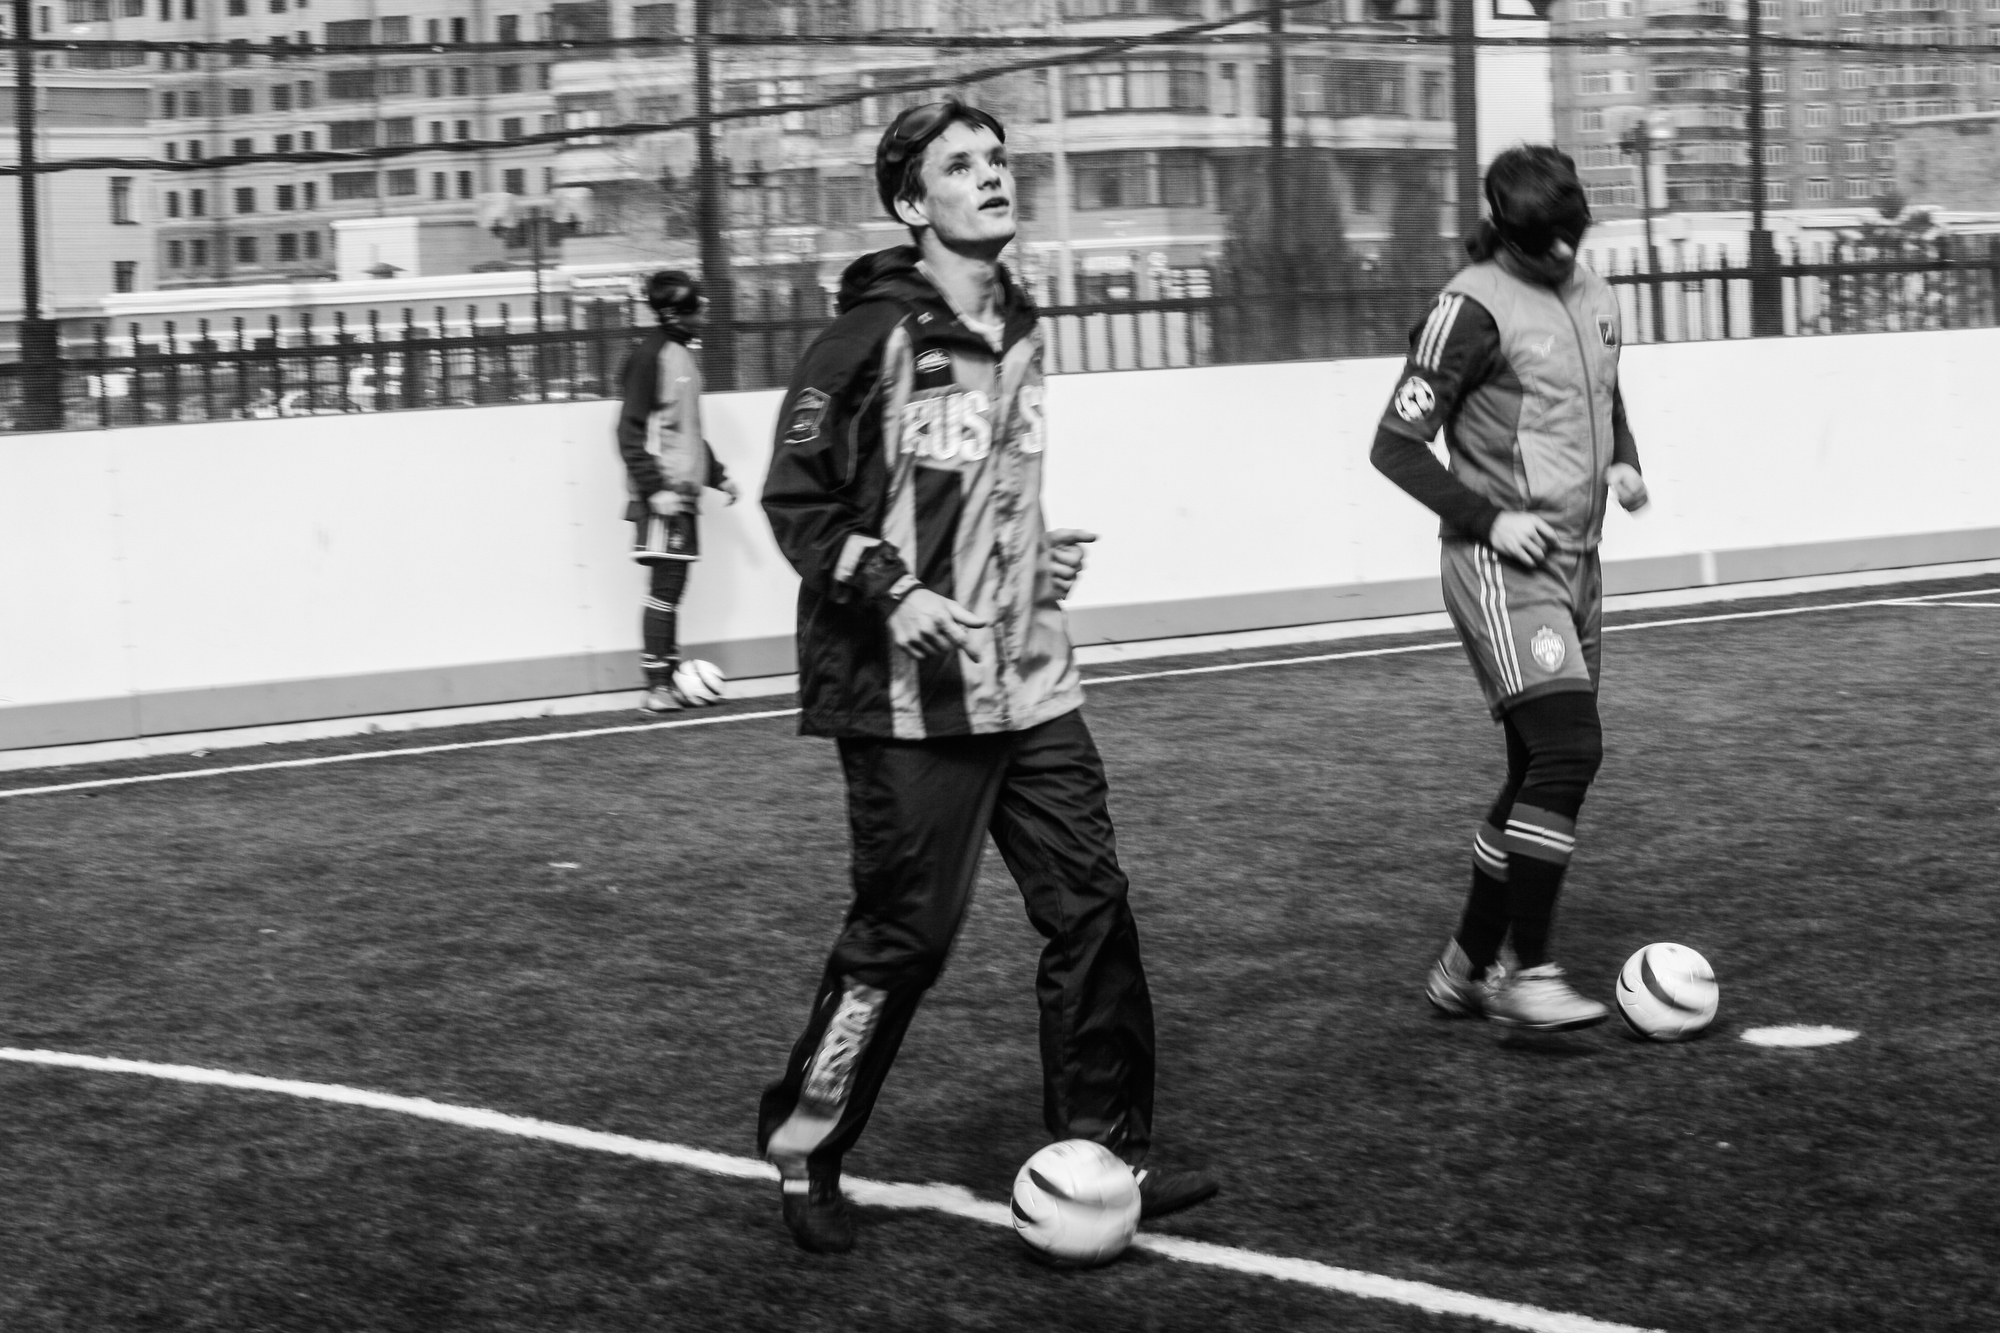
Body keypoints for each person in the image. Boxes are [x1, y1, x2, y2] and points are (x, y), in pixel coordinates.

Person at [756, 98, 1218, 1254]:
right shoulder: (862, 340)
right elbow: (798, 501)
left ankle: (1103, 1153)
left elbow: (978, 493)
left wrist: (1033, 555)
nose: (991, 175)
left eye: (997, 159)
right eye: (960, 165)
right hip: (908, 698)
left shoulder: (1019, 322)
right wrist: (896, 589)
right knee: (903, 939)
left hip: (1031, 680)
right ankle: (807, 1143)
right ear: (910, 202)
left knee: (1091, 908)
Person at [1369, 145, 1651, 1033]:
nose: (1563, 253)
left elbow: (1603, 395)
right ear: (1505, 231)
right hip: (1502, 566)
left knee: (1535, 769)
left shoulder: (1595, 293)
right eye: (1543, 241)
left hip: (1580, 562)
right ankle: (1530, 973)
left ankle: (1464, 967)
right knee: (1569, 749)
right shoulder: (1468, 309)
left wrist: (1626, 462)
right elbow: (1393, 447)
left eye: (1572, 234)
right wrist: (1489, 521)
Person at [615, 270, 740, 713]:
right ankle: (656, 685)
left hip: (681, 496)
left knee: (673, 587)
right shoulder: (650, 357)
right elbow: (629, 432)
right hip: (662, 498)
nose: (703, 311)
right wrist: (654, 490)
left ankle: (665, 679)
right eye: (696, 305)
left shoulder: (681, 356)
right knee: (665, 587)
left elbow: (686, 431)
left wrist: (717, 475)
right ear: (673, 312)